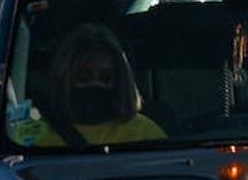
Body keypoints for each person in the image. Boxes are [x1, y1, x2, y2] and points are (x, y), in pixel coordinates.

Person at [33, 23, 166, 147]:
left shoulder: (145, 133)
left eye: (106, 78)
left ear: (120, 82)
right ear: (64, 81)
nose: (95, 84)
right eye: (84, 78)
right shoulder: (33, 134)